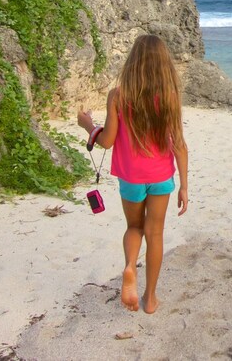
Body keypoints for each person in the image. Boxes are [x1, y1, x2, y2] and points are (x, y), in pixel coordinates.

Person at [77, 34, 189, 314]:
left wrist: (87, 125)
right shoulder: (170, 97)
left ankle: (129, 267)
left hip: (130, 178)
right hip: (161, 177)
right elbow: (180, 144)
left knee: (134, 227)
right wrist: (184, 186)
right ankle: (150, 299)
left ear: (133, 63)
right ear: (164, 65)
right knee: (156, 233)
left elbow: (108, 141)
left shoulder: (118, 96)